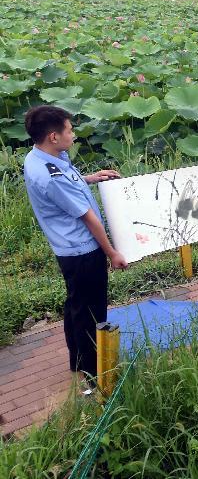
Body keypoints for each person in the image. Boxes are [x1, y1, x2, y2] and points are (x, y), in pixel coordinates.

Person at [23, 105, 127, 392]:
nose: (74, 134)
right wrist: (112, 253)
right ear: (53, 136)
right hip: (82, 251)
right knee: (91, 313)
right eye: (70, 130)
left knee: (76, 308)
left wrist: (90, 178)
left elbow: (69, 181)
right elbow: (89, 218)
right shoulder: (50, 176)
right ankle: (94, 379)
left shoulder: (40, 157)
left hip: (68, 249)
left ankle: (77, 363)